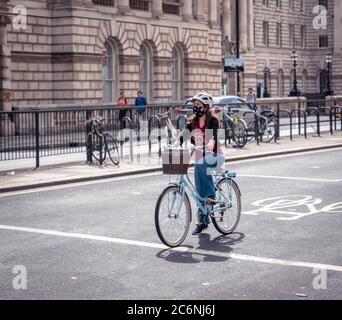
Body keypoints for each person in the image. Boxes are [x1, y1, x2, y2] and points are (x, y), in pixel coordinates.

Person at [177, 92, 225, 235]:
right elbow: (184, 135)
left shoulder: (213, 121)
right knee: (198, 190)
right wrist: (176, 142)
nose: (196, 107)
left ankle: (212, 196)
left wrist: (211, 142)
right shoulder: (193, 122)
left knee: (200, 166)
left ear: (206, 107)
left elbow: (214, 135)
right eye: (195, 105)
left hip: (215, 156)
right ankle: (202, 221)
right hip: (200, 157)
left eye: (199, 105)